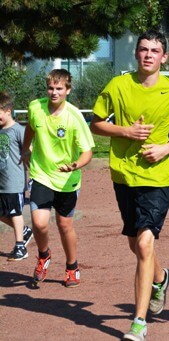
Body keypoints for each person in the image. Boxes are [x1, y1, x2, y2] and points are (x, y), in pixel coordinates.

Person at [90, 30, 169, 341]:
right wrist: (126, 131)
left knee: (143, 245)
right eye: (143, 49)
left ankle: (138, 323)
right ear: (136, 54)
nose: (148, 55)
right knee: (135, 244)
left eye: (155, 50)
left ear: (164, 57)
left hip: (156, 178)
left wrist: (166, 148)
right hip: (123, 175)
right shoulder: (118, 85)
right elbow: (96, 123)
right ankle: (161, 278)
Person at [21, 69, 95, 288]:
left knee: (64, 225)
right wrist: (26, 150)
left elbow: (87, 152)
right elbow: (30, 128)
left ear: (68, 90)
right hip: (41, 174)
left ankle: (72, 267)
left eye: (59, 88)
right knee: (39, 223)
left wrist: (75, 165)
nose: (54, 92)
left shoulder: (74, 117)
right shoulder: (36, 107)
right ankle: (44, 255)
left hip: (67, 179)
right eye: (51, 88)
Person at [0, 91, 33, 261]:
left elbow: (29, 154)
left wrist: (34, 175)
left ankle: (20, 247)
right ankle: (25, 231)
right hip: (1, 182)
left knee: (15, 212)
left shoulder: (19, 130)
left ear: (8, 110)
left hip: (14, 182)